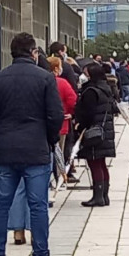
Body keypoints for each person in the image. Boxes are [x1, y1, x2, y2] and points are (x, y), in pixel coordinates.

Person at [0, 32, 64, 256]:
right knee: (38, 205)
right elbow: (55, 115)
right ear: (34, 53)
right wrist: (49, 138)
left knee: (1, 205)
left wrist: (1, 136)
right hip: (36, 151)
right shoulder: (45, 79)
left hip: (6, 152)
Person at [75, 63, 119, 207]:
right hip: (104, 131)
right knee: (101, 163)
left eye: (86, 73)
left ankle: (98, 196)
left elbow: (87, 113)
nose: (84, 76)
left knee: (94, 163)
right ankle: (104, 195)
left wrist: (80, 126)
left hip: (93, 132)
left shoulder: (91, 91)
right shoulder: (106, 88)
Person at [48, 57, 77, 189]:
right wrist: (71, 113)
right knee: (59, 151)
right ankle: (59, 177)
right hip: (62, 121)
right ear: (55, 68)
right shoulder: (62, 83)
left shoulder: (42, 81)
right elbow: (73, 100)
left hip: (44, 123)